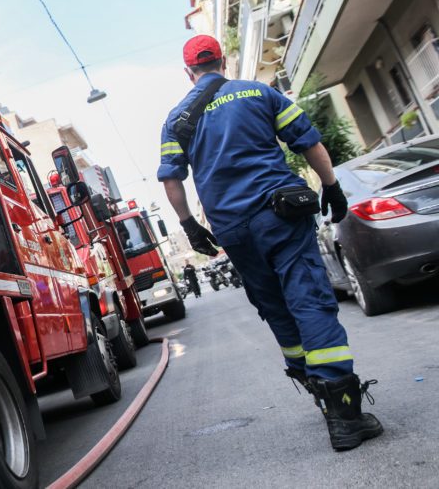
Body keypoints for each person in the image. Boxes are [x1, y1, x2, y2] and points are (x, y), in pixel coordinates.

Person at [157, 34, 382, 452]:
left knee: (276, 307)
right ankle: (345, 415)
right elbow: (308, 141)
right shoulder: (258, 92)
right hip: (280, 215)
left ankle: (317, 390)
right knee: (309, 300)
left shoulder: (176, 119)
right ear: (222, 61)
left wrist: (189, 225)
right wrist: (331, 187)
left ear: (188, 72)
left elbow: (172, 179)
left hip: (234, 229)